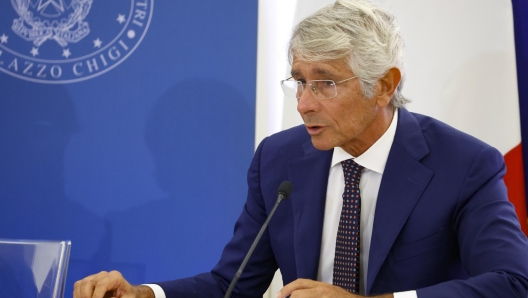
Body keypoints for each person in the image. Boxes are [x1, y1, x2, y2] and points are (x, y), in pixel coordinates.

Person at [73, 0, 528, 297]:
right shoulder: (279, 159)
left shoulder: (463, 164)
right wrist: (143, 295)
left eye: (326, 83)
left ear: (384, 86)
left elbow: (513, 281)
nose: (304, 104)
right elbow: (232, 284)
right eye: (300, 81)